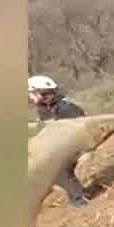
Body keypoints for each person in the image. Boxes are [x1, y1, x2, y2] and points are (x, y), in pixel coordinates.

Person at [30, 74, 91, 206]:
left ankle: (80, 199)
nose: (30, 97)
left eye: (32, 94)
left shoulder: (66, 108)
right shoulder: (44, 110)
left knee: (56, 169)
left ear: (41, 93)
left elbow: (80, 130)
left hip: (78, 147)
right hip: (60, 147)